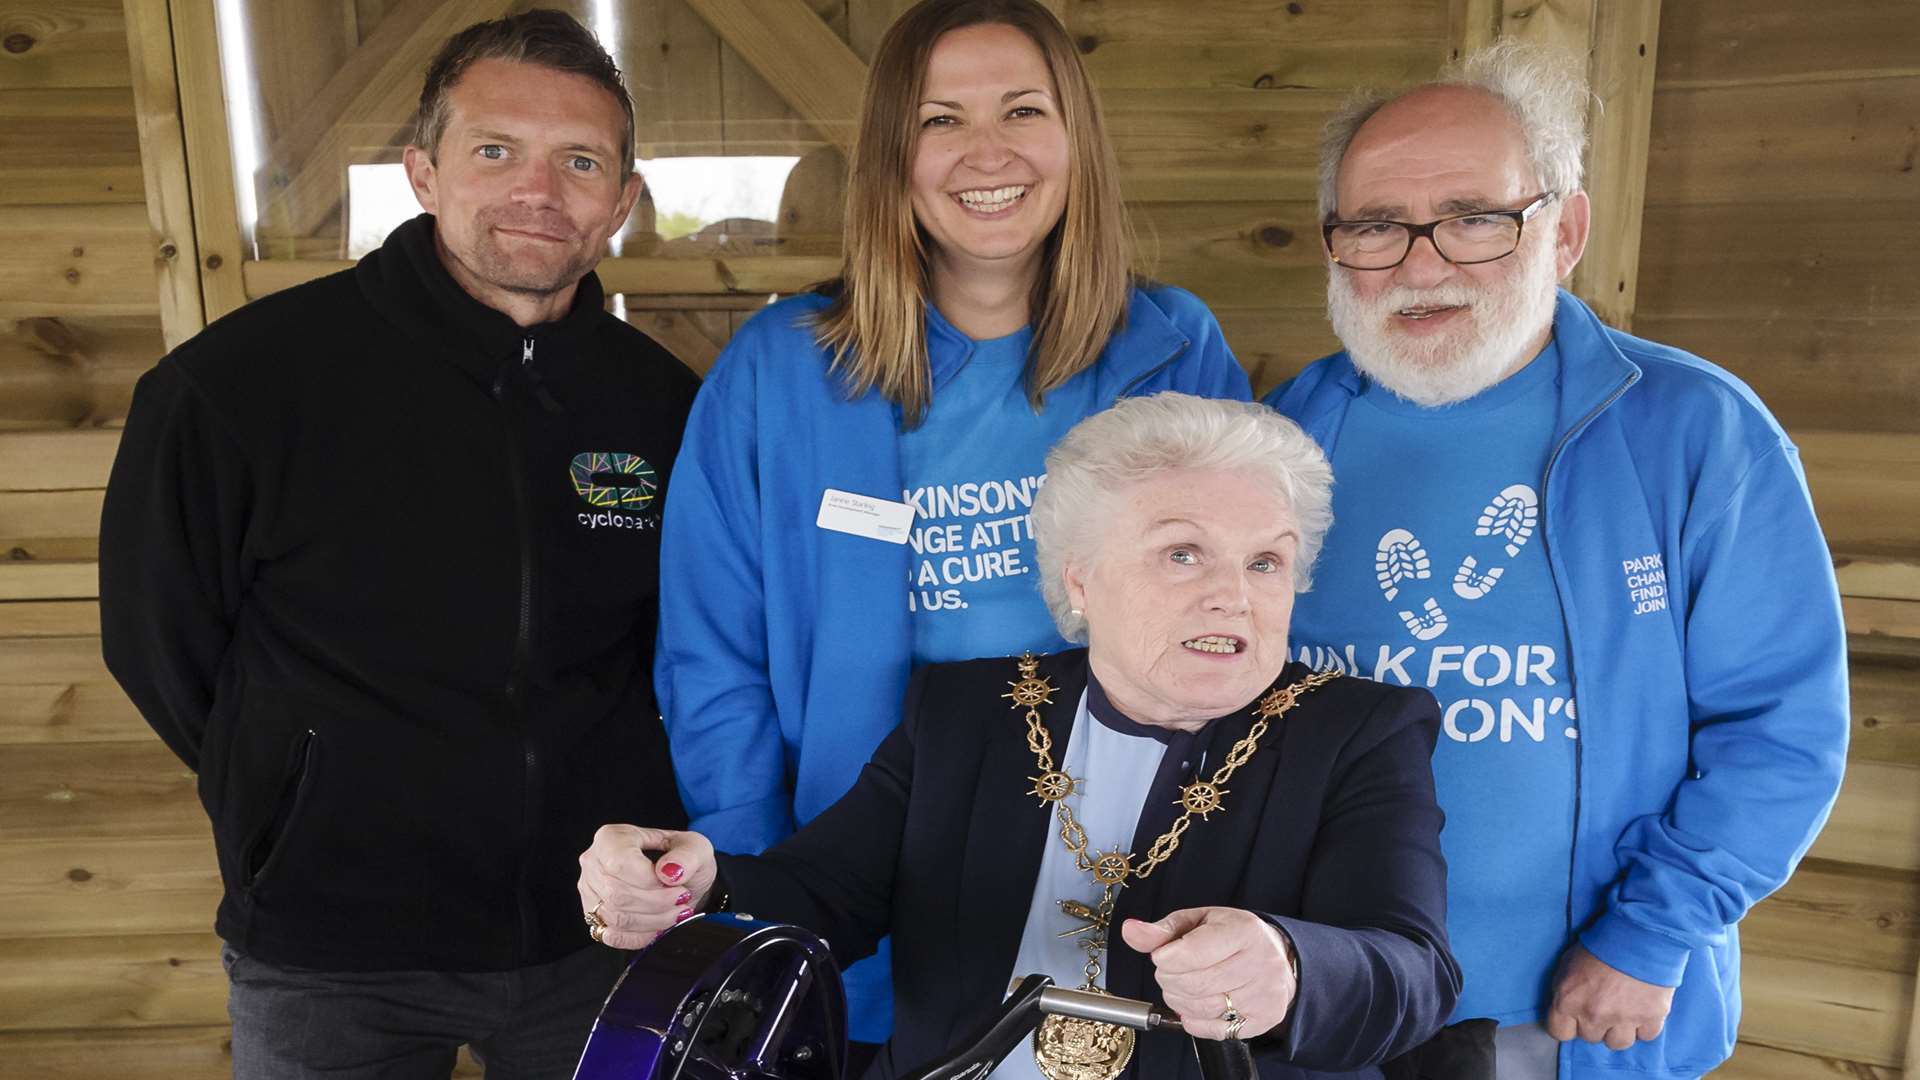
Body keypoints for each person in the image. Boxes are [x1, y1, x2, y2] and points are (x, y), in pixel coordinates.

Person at [97, 11, 696, 1078]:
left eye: (581, 161)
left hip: (594, 941)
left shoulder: (662, 406)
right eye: (495, 150)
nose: (538, 191)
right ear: (423, 172)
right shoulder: (241, 387)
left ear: (623, 202)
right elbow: (160, 644)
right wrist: (294, 797)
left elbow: (686, 646)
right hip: (333, 955)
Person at [655, 0, 1252, 1055]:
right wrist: (763, 885)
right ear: (894, 153)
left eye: (1024, 110)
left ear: (1076, 140)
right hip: (860, 884)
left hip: (1119, 885)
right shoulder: (781, 369)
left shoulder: (1172, 349)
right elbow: (713, 658)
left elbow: (1233, 617)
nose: (988, 153)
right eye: (941, 120)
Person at [1263, 41, 1849, 1080]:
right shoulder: (1271, 442)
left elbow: (1782, 729)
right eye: (1377, 226)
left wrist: (1652, 935)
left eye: (1475, 218)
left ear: (1565, 230)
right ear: (1334, 245)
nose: (1422, 262)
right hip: (1319, 1009)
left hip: (1574, 1022)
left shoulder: (1694, 433)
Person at [586, 393, 1458, 1080]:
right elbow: (826, 892)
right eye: (1182, 553)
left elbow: (1413, 973)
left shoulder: (1360, 732)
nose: (1234, 594)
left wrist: (1292, 966)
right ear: (1079, 581)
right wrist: (697, 880)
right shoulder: (969, 711)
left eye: (1265, 561)